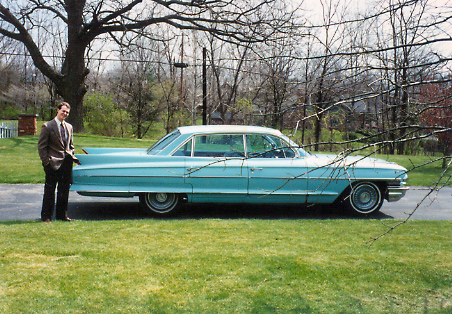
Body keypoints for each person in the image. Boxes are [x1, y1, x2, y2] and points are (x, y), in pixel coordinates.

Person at [37, 102, 80, 222]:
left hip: (66, 163)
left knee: (64, 190)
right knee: (50, 191)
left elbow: (70, 145)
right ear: (58, 110)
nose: (65, 114)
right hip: (52, 163)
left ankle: (62, 215)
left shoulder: (69, 127)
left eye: (67, 112)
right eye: (63, 111)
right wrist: (46, 163)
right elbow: (41, 147)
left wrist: (72, 155)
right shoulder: (47, 126)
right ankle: (46, 217)